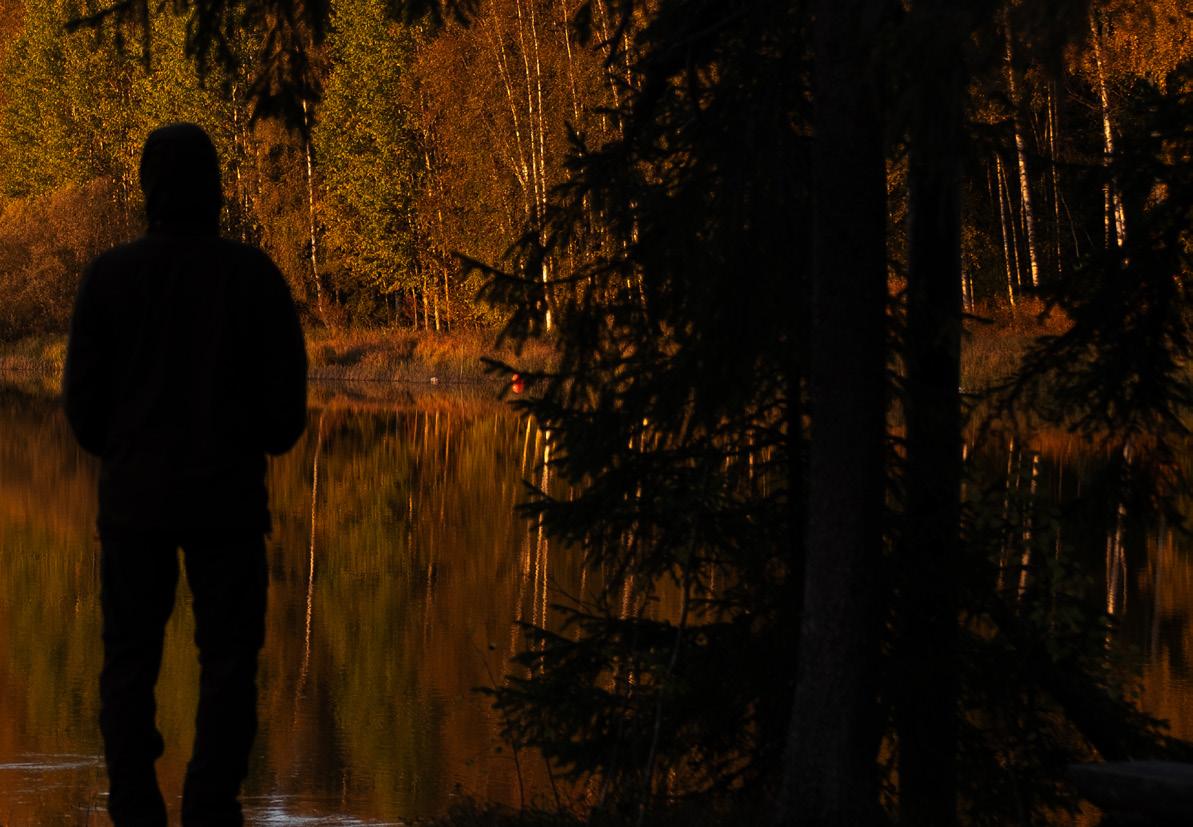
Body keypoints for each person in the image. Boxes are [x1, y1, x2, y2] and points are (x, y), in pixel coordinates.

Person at [63, 122, 308, 827]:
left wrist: (127, 451)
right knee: (229, 662)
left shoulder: (109, 278)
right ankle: (209, 804)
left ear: (147, 191)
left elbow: (83, 410)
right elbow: (285, 416)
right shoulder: (252, 277)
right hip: (228, 503)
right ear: (216, 190)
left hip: (134, 505)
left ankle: (135, 806)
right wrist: (241, 440)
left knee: (128, 661)